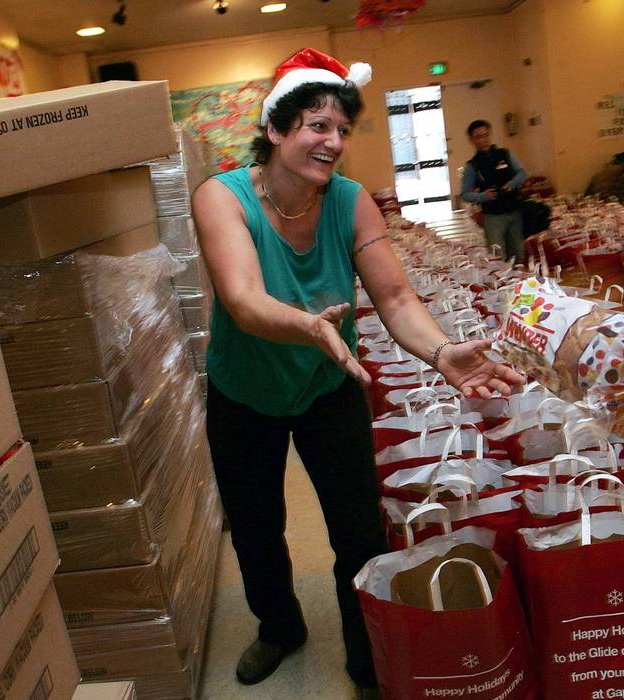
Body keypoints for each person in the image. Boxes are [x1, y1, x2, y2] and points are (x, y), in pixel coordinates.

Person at [191, 49, 525, 700]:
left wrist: (441, 352)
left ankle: (365, 659)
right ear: (275, 129)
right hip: (244, 392)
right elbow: (241, 299)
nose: (333, 142)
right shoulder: (221, 197)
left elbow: (396, 299)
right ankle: (278, 627)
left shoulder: (350, 203)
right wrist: (310, 326)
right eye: (317, 125)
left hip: (328, 386)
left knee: (356, 532)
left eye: (342, 129)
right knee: (256, 527)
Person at [461, 119, 528, 263]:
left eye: (486, 135)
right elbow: (465, 194)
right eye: (479, 137)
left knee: (518, 254)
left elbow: (522, 173)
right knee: (497, 257)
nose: (484, 140)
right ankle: (503, 284)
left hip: (514, 210)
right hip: (493, 216)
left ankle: (519, 284)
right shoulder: (472, 166)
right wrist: (483, 196)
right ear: (472, 140)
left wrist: (511, 184)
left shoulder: (505, 154)